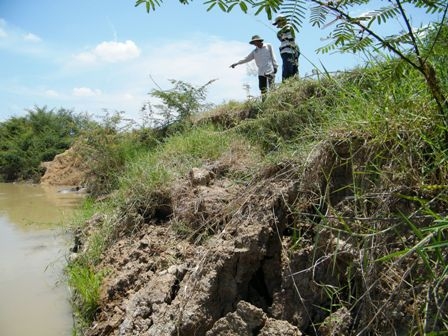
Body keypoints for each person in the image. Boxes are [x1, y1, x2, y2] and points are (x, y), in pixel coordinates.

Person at [273, 15, 300, 81]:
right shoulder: (286, 29)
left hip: (288, 52)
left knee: (287, 71)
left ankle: (286, 84)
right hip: (291, 52)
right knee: (294, 70)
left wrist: (279, 34)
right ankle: (294, 84)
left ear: (282, 21)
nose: (277, 25)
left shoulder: (287, 28)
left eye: (278, 23)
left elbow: (291, 40)